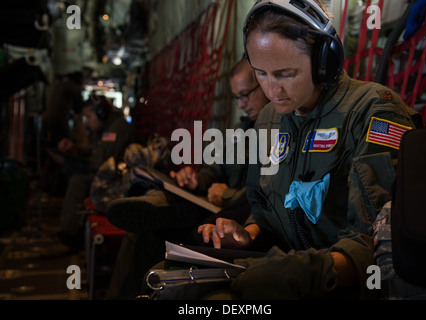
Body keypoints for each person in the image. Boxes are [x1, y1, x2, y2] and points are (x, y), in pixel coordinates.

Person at [201, 0, 420, 300]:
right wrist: (245, 236)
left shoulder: (374, 110)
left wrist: (309, 273)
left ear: (323, 62)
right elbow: (263, 211)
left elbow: (377, 243)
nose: (271, 90)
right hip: (282, 270)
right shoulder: (268, 119)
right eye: (260, 74)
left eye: (285, 74)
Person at [105, 58, 269, 299]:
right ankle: (160, 201)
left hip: (237, 220)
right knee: (143, 233)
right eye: (236, 98)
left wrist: (223, 194)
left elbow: (263, 194)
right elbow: (213, 170)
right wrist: (196, 179)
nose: (241, 104)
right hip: (213, 209)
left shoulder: (278, 132)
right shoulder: (237, 132)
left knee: (157, 232)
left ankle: (161, 203)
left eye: (245, 95)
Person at [43, 94, 137, 256]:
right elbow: (96, 153)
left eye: (88, 116)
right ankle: (70, 229)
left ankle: (68, 237)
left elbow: (98, 164)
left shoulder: (116, 130)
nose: (86, 122)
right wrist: (75, 149)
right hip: (114, 176)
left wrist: (70, 159)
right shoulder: (108, 127)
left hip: (121, 182)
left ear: (101, 113)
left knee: (80, 179)